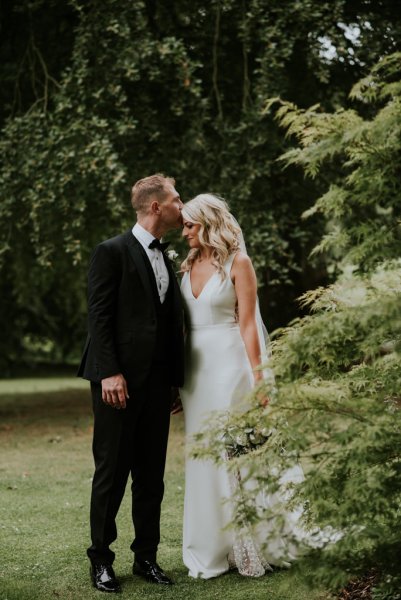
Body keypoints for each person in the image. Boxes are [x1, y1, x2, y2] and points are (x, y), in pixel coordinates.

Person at [179, 193, 304, 579]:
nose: (184, 232)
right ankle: (210, 546)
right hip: (194, 375)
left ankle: (249, 541)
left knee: (234, 450)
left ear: (209, 224)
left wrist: (260, 378)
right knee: (202, 454)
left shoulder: (239, 262)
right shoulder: (185, 266)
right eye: (184, 224)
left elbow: (249, 323)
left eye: (190, 225)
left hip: (231, 366)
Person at [78, 173, 185, 592]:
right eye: (177, 199)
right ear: (156, 206)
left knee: (151, 475)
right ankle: (101, 560)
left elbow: (166, 322)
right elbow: (99, 317)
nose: (183, 205)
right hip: (116, 383)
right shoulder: (111, 252)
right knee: (111, 472)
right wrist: (108, 372)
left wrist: (174, 382)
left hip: (158, 385)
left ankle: (147, 558)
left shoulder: (168, 256)